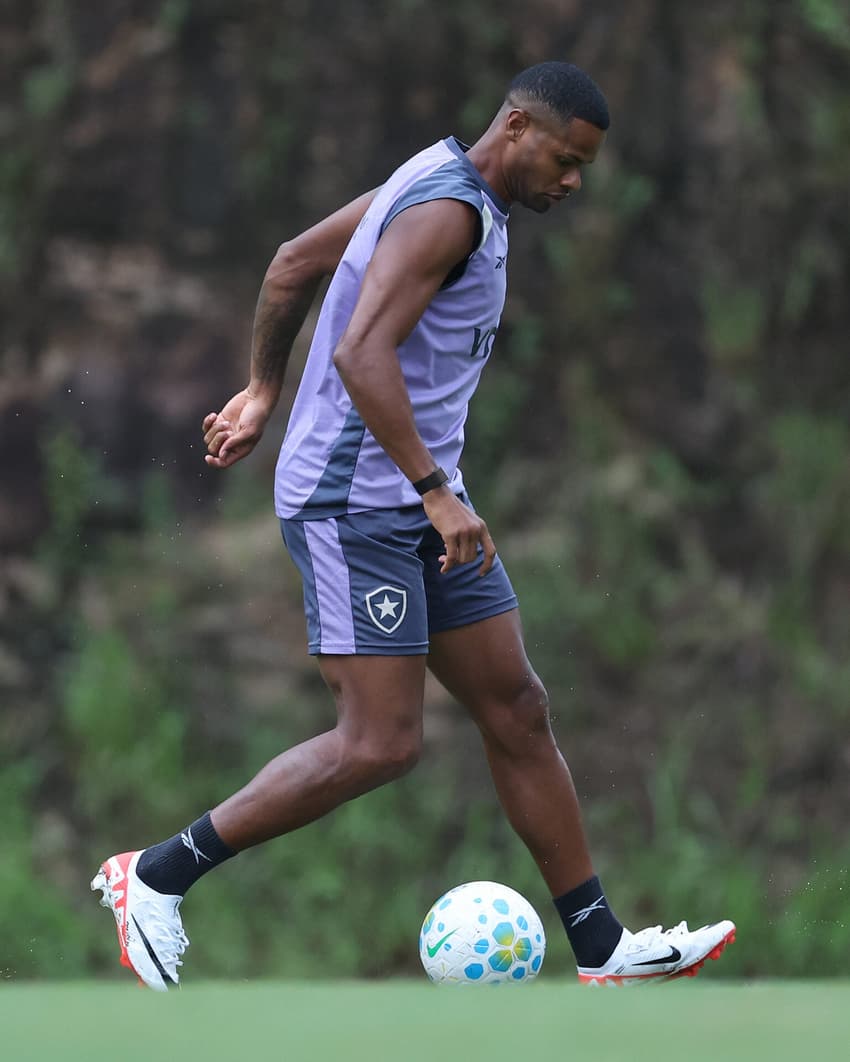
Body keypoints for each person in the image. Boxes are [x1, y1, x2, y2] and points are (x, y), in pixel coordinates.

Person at [92, 60, 735, 990]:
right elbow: (360, 351)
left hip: (417, 499)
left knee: (518, 709)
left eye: (583, 165)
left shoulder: (431, 182)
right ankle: (152, 878)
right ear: (515, 127)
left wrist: (265, 390)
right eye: (565, 158)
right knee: (379, 743)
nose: (574, 181)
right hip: (354, 505)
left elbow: (294, 264)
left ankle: (603, 951)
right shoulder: (448, 210)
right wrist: (434, 487)